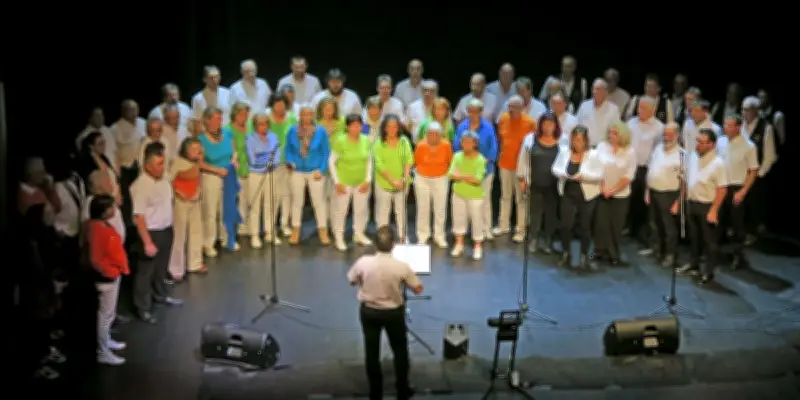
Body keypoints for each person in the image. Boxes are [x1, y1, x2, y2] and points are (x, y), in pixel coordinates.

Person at [347, 225, 422, 400]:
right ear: (394, 244)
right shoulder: (401, 266)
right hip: (393, 313)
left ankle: (375, 393)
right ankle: (402, 390)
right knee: (400, 351)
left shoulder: (363, 262)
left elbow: (351, 280)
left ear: (374, 244)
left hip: (369, 312)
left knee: (371, 352)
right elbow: (418, 288)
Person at [131, 142, 182, 323]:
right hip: (151, 233)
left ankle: (161, 295)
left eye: (163, 163)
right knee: (145, 273)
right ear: (147, 166)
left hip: (166, 230)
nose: (162, 168)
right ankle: (143, 308)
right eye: (159, 164)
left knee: (161, 268)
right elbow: (139, 217)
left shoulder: (164, 179)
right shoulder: (141, 186)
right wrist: (147, 242)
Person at [676, 129, 728, 284]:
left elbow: (722, 189)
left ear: (711, 144)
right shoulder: (692, 156)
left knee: (709, 242)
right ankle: (693, 264)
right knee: (694, 238)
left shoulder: (718, 163)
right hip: (692, 203)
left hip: (707, 206)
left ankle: (709, 272)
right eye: (697, 140)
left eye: (701, 142)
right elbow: (687, 179)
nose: (697, 144)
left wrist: (714, 210)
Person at [85, 194, 129, 365]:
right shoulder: (97, 229)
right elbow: (95, 259)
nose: (114, 209)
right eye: (111, 207)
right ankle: (102, 352)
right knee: (105, 316)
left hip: (113, 275)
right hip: (107, 278)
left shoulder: (102, 225)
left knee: (109, 314)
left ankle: (107, 340)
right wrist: (109, 272)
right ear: (103, 212)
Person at [550, 126, 603, 269]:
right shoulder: (564, 152)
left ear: (585, 141)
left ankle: (585, 255)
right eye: (574, 140)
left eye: (579, 140)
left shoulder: (593, 155)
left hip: (586, 196)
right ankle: (566, 253)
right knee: (566, 225)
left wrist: (583, 176)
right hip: (568, 194)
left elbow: (599, 175)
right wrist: (563, 174)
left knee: (585, 227)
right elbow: (554, 168)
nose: (576, 143)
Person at [717, 114, 758, 269]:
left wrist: (743, 191)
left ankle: (737, 255)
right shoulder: (721, 141)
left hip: (736, 188)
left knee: (737, 225)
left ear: (737, 127)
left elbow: (753, 171)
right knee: (717, 221)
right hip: (721, 186)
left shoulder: (749, 146)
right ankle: (715, 253)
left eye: (729, 125)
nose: (725, 128)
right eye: (725, 124)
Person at [453, 99, 498, 240]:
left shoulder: (488, 127)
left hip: (484, 170)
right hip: (465, 170)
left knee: (484, 201)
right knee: (464, 202)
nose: (472, 114)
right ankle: (464, 230)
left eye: (475, 111)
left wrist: (484, 161)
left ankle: (486, 229)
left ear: (481, 111)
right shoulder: (462, 127)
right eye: (470, 111)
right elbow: (456, 147)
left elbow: (494, 148)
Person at [285, 106, 331, 245]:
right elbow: (288, 149)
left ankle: (323, 230)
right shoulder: (292, 130)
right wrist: (290, 161)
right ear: (300, 115)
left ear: (313, 116)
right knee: (297, 202)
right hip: (297, 170)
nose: (306, 117)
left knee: (318, 202)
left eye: (310, 114)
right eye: (304, 114)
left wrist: (322, 169)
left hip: (315, 171)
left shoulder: (321, 131)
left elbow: (326, 152)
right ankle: (295, 229)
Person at [593, 121, 636, 266]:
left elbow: (629, 176)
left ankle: (613, 253)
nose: (611, 135)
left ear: (622, 135)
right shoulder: (601, 147)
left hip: (620, 195)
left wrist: (612, 190)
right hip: (602, 191)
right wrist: (603, 188)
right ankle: (599, 251)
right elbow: (596, 168)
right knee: (601, 223)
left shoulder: (630, 152)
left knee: (615, 225)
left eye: (615, 133)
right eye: (610, 132)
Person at [517, 113, 561, 253]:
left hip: (553, 185)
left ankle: (548, 240)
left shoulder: (563, 141)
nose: (547, 127)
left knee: (551, 213)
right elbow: (523, 160)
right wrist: (522, 178)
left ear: (555, 126)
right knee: (535, 213)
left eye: (551, 124)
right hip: (535, 183)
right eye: (545, 123)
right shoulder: (531, 139)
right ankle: (534, 239)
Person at [198, 106, 239, 256]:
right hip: (211, 176)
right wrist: (217, 170)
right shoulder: (201, 140)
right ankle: (208, 243)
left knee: (227, 209)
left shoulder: (228, 134)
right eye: (215, 119)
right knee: (210, 211)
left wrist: (234, 160)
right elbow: (200, 163)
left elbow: (234, 152)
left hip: (228, 174)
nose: (219, 121)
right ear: (207, 121)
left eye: (220, 118)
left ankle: (227, 238)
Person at [494, 95, 535, 242]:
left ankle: (520, 230)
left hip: (521, 167)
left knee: (521, 199)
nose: (512, 109)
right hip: (504, 164)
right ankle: (503, 225)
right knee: (505, 197)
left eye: (515, 107)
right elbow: (500, 139)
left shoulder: (530, 123)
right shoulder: (503, 119)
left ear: (522, 107)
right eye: (510, 106)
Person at [330, 114, 374, 251]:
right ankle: (339, 237)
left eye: (358, 125)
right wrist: (337, 182)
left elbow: (369, 161)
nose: (356, 128)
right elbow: (331, 162)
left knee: (361, 210)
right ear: (348, 127)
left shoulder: (366, 140)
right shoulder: (340, 141)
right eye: (353, 125)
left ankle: (359, 234)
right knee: (341, 211)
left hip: (361, 182)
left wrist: (368, 180)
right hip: (344, 182)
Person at [644, 123, 683, 267]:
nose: (666, 137)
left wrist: (678, 202)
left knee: (669, 227)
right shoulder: (658, 149)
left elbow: (684, 181)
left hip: (669, 195)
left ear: (677, 135)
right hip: (654, 191)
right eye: (665, 133)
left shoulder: (682, 154)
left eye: (669, 134)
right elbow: (650, 170)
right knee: (654, 223)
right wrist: (647, 191)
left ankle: (670, 254)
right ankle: (657, 249)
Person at [168, 138, 207, 279]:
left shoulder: (197, 163)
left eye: (199, 148)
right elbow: (169, 181)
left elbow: (198, 178)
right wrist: (178, 193)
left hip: (194, 200)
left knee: (196, 231)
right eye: (194, 149)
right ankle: (176, 269)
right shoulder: (178, 163)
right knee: (179, 235)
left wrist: (198, 191)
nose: (198, 151)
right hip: (181, 202)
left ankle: (195, 263)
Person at [413, 122, 453, 248]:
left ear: (441, 135)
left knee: (440, 209)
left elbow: (450, 161)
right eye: (431, 134)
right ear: (426, 134)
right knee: (423, 208)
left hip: (441, 178)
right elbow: (416, 162)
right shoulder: (421, 145)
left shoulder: (446, 145)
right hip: (422, 178)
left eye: (437, 134)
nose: (433, 137)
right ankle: (423, 235)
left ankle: (439, 236)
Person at [450, 131, 487, 260]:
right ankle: (459, 244)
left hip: (475, 195)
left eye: (469, 142)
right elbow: (451, 174)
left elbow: (477, 180)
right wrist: (467, 177)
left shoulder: (480, 159)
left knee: (477, 220)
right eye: (464, 141)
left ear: (475, 144)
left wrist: (461, 176)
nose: (466, 144)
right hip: (458, 193)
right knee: (458, 218)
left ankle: (477, 246)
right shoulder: (457, 156)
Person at [246, 113, 281, 248]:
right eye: (261, 124)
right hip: (256, 174)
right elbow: (253, 159)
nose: (264, 126)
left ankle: (269, 232)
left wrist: (262, 155)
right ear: (255, 125)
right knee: (255, 205)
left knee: (270, 204)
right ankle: (254, 235)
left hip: (271, 173)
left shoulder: (273, 137)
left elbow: (277, 156)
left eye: (266, 123)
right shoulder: (250, 138)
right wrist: (267, 157)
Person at [227, 101, 252, 236]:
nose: (245, 117)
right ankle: (239, 228)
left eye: (246, 114)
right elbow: (231, 151)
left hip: (251, 168)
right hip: (236, 169)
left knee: (248, 199)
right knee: (238, 200)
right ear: (234, 115)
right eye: (242, 114)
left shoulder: (249, 127)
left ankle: (248, 226)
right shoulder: (229, 130)